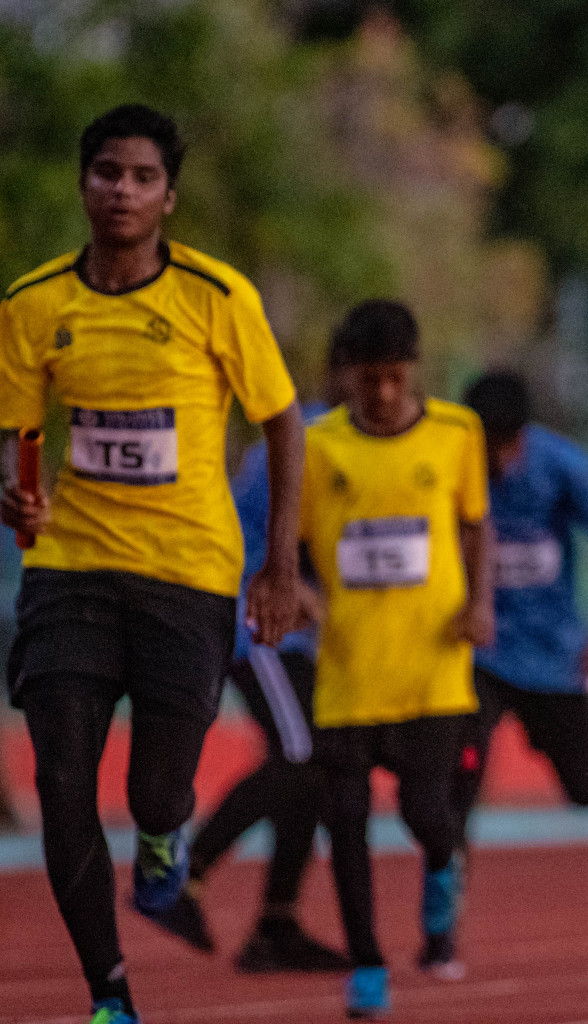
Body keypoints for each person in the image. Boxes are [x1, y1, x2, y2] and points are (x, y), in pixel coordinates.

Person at [0, 105, 303, 1024]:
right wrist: (14, 495)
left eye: (139, 176)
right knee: (61, 783)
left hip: (188, 573)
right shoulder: (33, 303)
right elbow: (19, 436)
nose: (120, 189)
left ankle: (168, 842)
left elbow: (282, 422)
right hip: (72, 568)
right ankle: (110, 992)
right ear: (83, 184)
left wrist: (279, 564)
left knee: (155, 790)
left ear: (167, 196)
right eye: (105, 172)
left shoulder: (218, 297)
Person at [298, 300, 492, 1018]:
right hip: (348, 670)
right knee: (344, 822)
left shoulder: (456, 432)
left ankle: (444, 862)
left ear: (414, 371)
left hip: (432, 671)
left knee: (424, 812)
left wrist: (481, 602)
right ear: (347, 375)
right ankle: (367, 964)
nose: (380, 393)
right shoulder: (318, 447)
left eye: (393, 379)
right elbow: (292, 546)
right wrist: (300, 593)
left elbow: (476, 526)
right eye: (367, 379)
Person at [168, 361, 350, 973]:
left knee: (314, 768)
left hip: (293, 637)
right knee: (301, 759)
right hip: (260, 625)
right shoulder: (318, 437)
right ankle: (181, 875)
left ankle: (276, 923)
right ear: (343, 376)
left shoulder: (348, 438)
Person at [451, 371, 588, 827]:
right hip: (482, 650)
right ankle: (450, 872)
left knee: (586, 789)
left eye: (507, 444)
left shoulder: (565, 465)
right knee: (460, 780)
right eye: (487, 444)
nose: (497, 459)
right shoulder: (454, 465)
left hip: (551, 650)